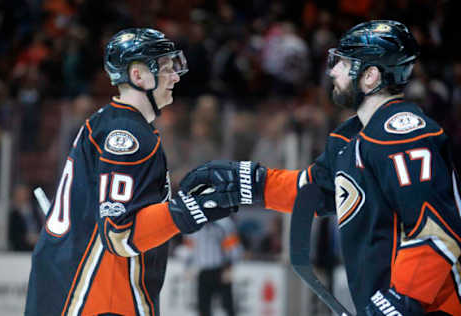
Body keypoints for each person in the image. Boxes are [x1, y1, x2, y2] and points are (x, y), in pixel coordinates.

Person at [180, 20, 461, 315]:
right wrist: (245, 182)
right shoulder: (351, 138)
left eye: (342, 63)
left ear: (370, 76)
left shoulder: (404, 135)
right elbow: (310, 189)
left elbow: (434, 231)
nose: (333, 71)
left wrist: (399, 302)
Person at [25, 28, 237, 316]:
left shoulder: (108, 121)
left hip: (65, 280)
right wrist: (195, 208)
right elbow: (119, 232)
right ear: (138, 76)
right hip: (93, 293)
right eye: (165, 68)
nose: (175, 76)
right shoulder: (127, 134)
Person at [184, 217, 243, 316]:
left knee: (228, 305)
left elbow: (233, 248)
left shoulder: (224, 223)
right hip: (202, 271)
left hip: (221, 271)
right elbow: (189, 248)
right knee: (203, 307)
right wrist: (187, 267)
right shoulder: (192, 223)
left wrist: (230, 267)